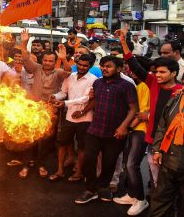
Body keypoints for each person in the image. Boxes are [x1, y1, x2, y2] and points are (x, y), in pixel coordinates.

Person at [118, 28, 182, 189]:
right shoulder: (153, 82)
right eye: (156, 72)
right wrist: (123, 42)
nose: (157, 75)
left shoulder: (180, 91)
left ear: (173, 73)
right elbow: (133, 65)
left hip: (173, 146)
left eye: (162, 72)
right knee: (155, 179)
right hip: (152, 141)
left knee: (171, 182)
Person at [75, 56, 138, 204]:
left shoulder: (126, 85)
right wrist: (83, 112)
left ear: (119, 68)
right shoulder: (98, 83)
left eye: (108, 66)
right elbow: (95, 100)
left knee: (109, 163)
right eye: (102, 66)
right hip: (95, 130)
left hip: (115, 133)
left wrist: (124, 127)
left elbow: (134, 108)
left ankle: (103, 187)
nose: (104, 68)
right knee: (88, 160)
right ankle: (90, 190)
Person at [20, 29, 71, 178]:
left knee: (46, 141)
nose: (47, 63)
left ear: (55, 62)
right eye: (45, 60)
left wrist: (64, 59)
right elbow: (25, 59)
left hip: (50, 112)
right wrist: (24, 42)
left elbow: (68, 72)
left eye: (51, 61)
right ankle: (26, 165)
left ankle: (41, 164)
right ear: (42, 60)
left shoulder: (58, 72)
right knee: (29, 139)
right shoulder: (36, 69)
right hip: (33, 110)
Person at [113, 56, 152, 216]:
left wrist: (127, 127)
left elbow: (140, 112)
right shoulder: (137, 85)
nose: (129, 70)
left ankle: (141, 199)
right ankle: (131, 195)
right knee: (129, 163)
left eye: (132, 68)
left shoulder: (144, 86)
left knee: (131, 165)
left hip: (140, 130)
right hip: (135, 129)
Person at [49, 54, 97, 182]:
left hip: (85, 118)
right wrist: (55, 96)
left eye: (85, 65)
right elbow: (63, 93)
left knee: (81, 147)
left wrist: (65, 103)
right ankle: (59, 171)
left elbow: (86, 99)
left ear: (90, 66)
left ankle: (79, 173)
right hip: (69, 117)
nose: (81, 67)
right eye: (80, 64)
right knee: (63, 144)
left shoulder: (93, 80)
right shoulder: (70, 77)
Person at [150, 93, 184, 217]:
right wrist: (157, 150)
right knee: (161, 201)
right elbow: (162, 126)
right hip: (169, 160)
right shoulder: (175, 101)